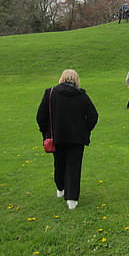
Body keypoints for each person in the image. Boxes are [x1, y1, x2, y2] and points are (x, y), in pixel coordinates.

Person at [36, 70, 99, 210]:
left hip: (57, 136)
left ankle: (61, 189)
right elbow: (93, 116)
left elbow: (41, 117)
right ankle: (72, 199)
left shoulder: (50, 93)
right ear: (76, 80)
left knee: (59, 164)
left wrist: (46, 133)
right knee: (74, 167)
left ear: (62, 78)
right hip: (77, 138)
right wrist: (85, 130)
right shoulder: (82, 95)